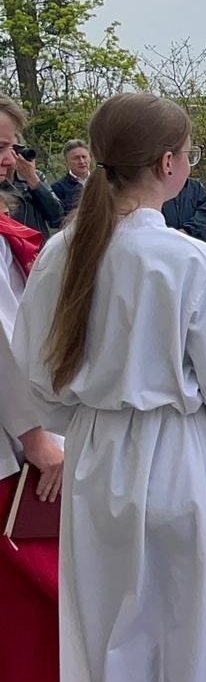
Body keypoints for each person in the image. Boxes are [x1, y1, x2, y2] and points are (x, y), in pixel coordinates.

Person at [11, 92, 206, 682]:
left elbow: (37, 372)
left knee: (111, 635)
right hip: (188, 466)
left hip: (98, 466)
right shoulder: (190, 261)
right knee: (205, 635)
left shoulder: (58, 256)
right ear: (168, 164)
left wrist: (89, 414)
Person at [0, 97, 64, 681]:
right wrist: (36, 435)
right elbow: (2, 339)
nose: (8, 160)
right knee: (28, 601)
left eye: (11, 147)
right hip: (7, 447)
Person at [0, 116, 64, 239]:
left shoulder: (36, 176)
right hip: (13, 250)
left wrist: (32, 179)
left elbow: (57, 217)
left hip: (38, 250)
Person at [51, 138, 93, 223]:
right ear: (66, 161)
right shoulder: (58, 188)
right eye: (76, 158)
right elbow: (58, 219)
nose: (82, 161)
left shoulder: (103, 182)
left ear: (90, 158)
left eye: (84, 157)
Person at [162, 175, 206, 242]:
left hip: (194, 243)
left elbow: (205, 213)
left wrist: (187, 230)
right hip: (166, 242)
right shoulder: (159, 188)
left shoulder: (196, 187)